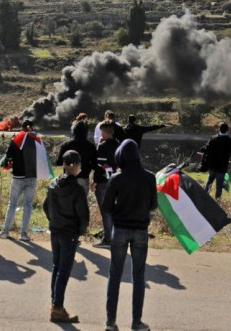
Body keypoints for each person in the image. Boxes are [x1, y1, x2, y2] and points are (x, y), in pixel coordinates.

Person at [103, 139, 157, 331]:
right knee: (139, 276)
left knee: (115, 274)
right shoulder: (149, 178)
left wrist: (120, 208)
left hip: (119, 229)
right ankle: (136, 322)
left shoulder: (116, 178)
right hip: (141, 229)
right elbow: (153, 205)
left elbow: (106, 207)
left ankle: (110, 321)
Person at [43, 150, 89, 323]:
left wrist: (53, 220)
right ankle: (57, 308)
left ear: (63, 165)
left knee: (56, 266)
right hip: (69, 232)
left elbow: (45, 206)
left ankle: (56, 304)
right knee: (64, 270)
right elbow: (83, 215)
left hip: (55, 230)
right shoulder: (77, 189)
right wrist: (80, 231)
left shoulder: (53, 184)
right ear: (77, 166)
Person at [0, 121, 40, 241]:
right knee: (28, 205)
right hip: (32, 176)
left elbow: (8, 155)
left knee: (12, 204)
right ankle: (23, 233)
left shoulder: (17, 138)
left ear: (22, 128)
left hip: (18, 177)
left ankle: (5, 230)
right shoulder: (36, 140)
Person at [56, 120, 98, 197]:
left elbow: (58, 162)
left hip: (68, 178)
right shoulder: (91, 146)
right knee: (82, 204)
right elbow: (95, 165)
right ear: (86, 132)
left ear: (74, 131)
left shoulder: (66, 145)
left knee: (68, 203)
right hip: (83, 177)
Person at [94, 121, 119, 247]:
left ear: (103, 131)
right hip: (116, 181)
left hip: (104, 182)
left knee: (105, 211)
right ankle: (114, 237)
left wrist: (96, 181)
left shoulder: (103, 146)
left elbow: (100, 165)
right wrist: (113, 172)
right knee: (113, 210)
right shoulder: (118, 144)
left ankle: (107, 239)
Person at [202, 122, 231, 200]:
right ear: (227, 130)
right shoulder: (229, 141)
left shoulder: (213, 138)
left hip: (212, 165)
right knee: (219, 185)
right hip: (222, 166)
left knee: (209, 182)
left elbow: (206, 149)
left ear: (219, 129)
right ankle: (217, 201)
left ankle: (204, 198)